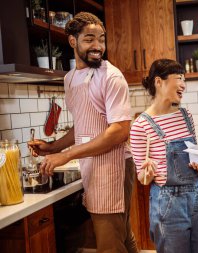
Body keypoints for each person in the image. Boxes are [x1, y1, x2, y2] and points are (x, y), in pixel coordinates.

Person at [28, 12, 138, 253]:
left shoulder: (111, 76)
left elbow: (119, 131)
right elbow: (83, 124)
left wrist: (66, 156)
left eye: (101, 39)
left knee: (110, 245)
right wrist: (53, 147)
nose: (98, 46)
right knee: (122, 236)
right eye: (89, 39)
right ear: (72, 41)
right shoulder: (70, 79)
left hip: (113, 165)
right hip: (92, 165)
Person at [130, 59, 198, 253]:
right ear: (159, 81)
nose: (183, 85)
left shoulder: (185, 115)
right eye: (179, 78)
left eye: (184, 79)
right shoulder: (141, 125)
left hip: (197, 197)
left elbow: (190, 156)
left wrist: (197, 162)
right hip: (168, 202)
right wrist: (148, 171)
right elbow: (143, 179)